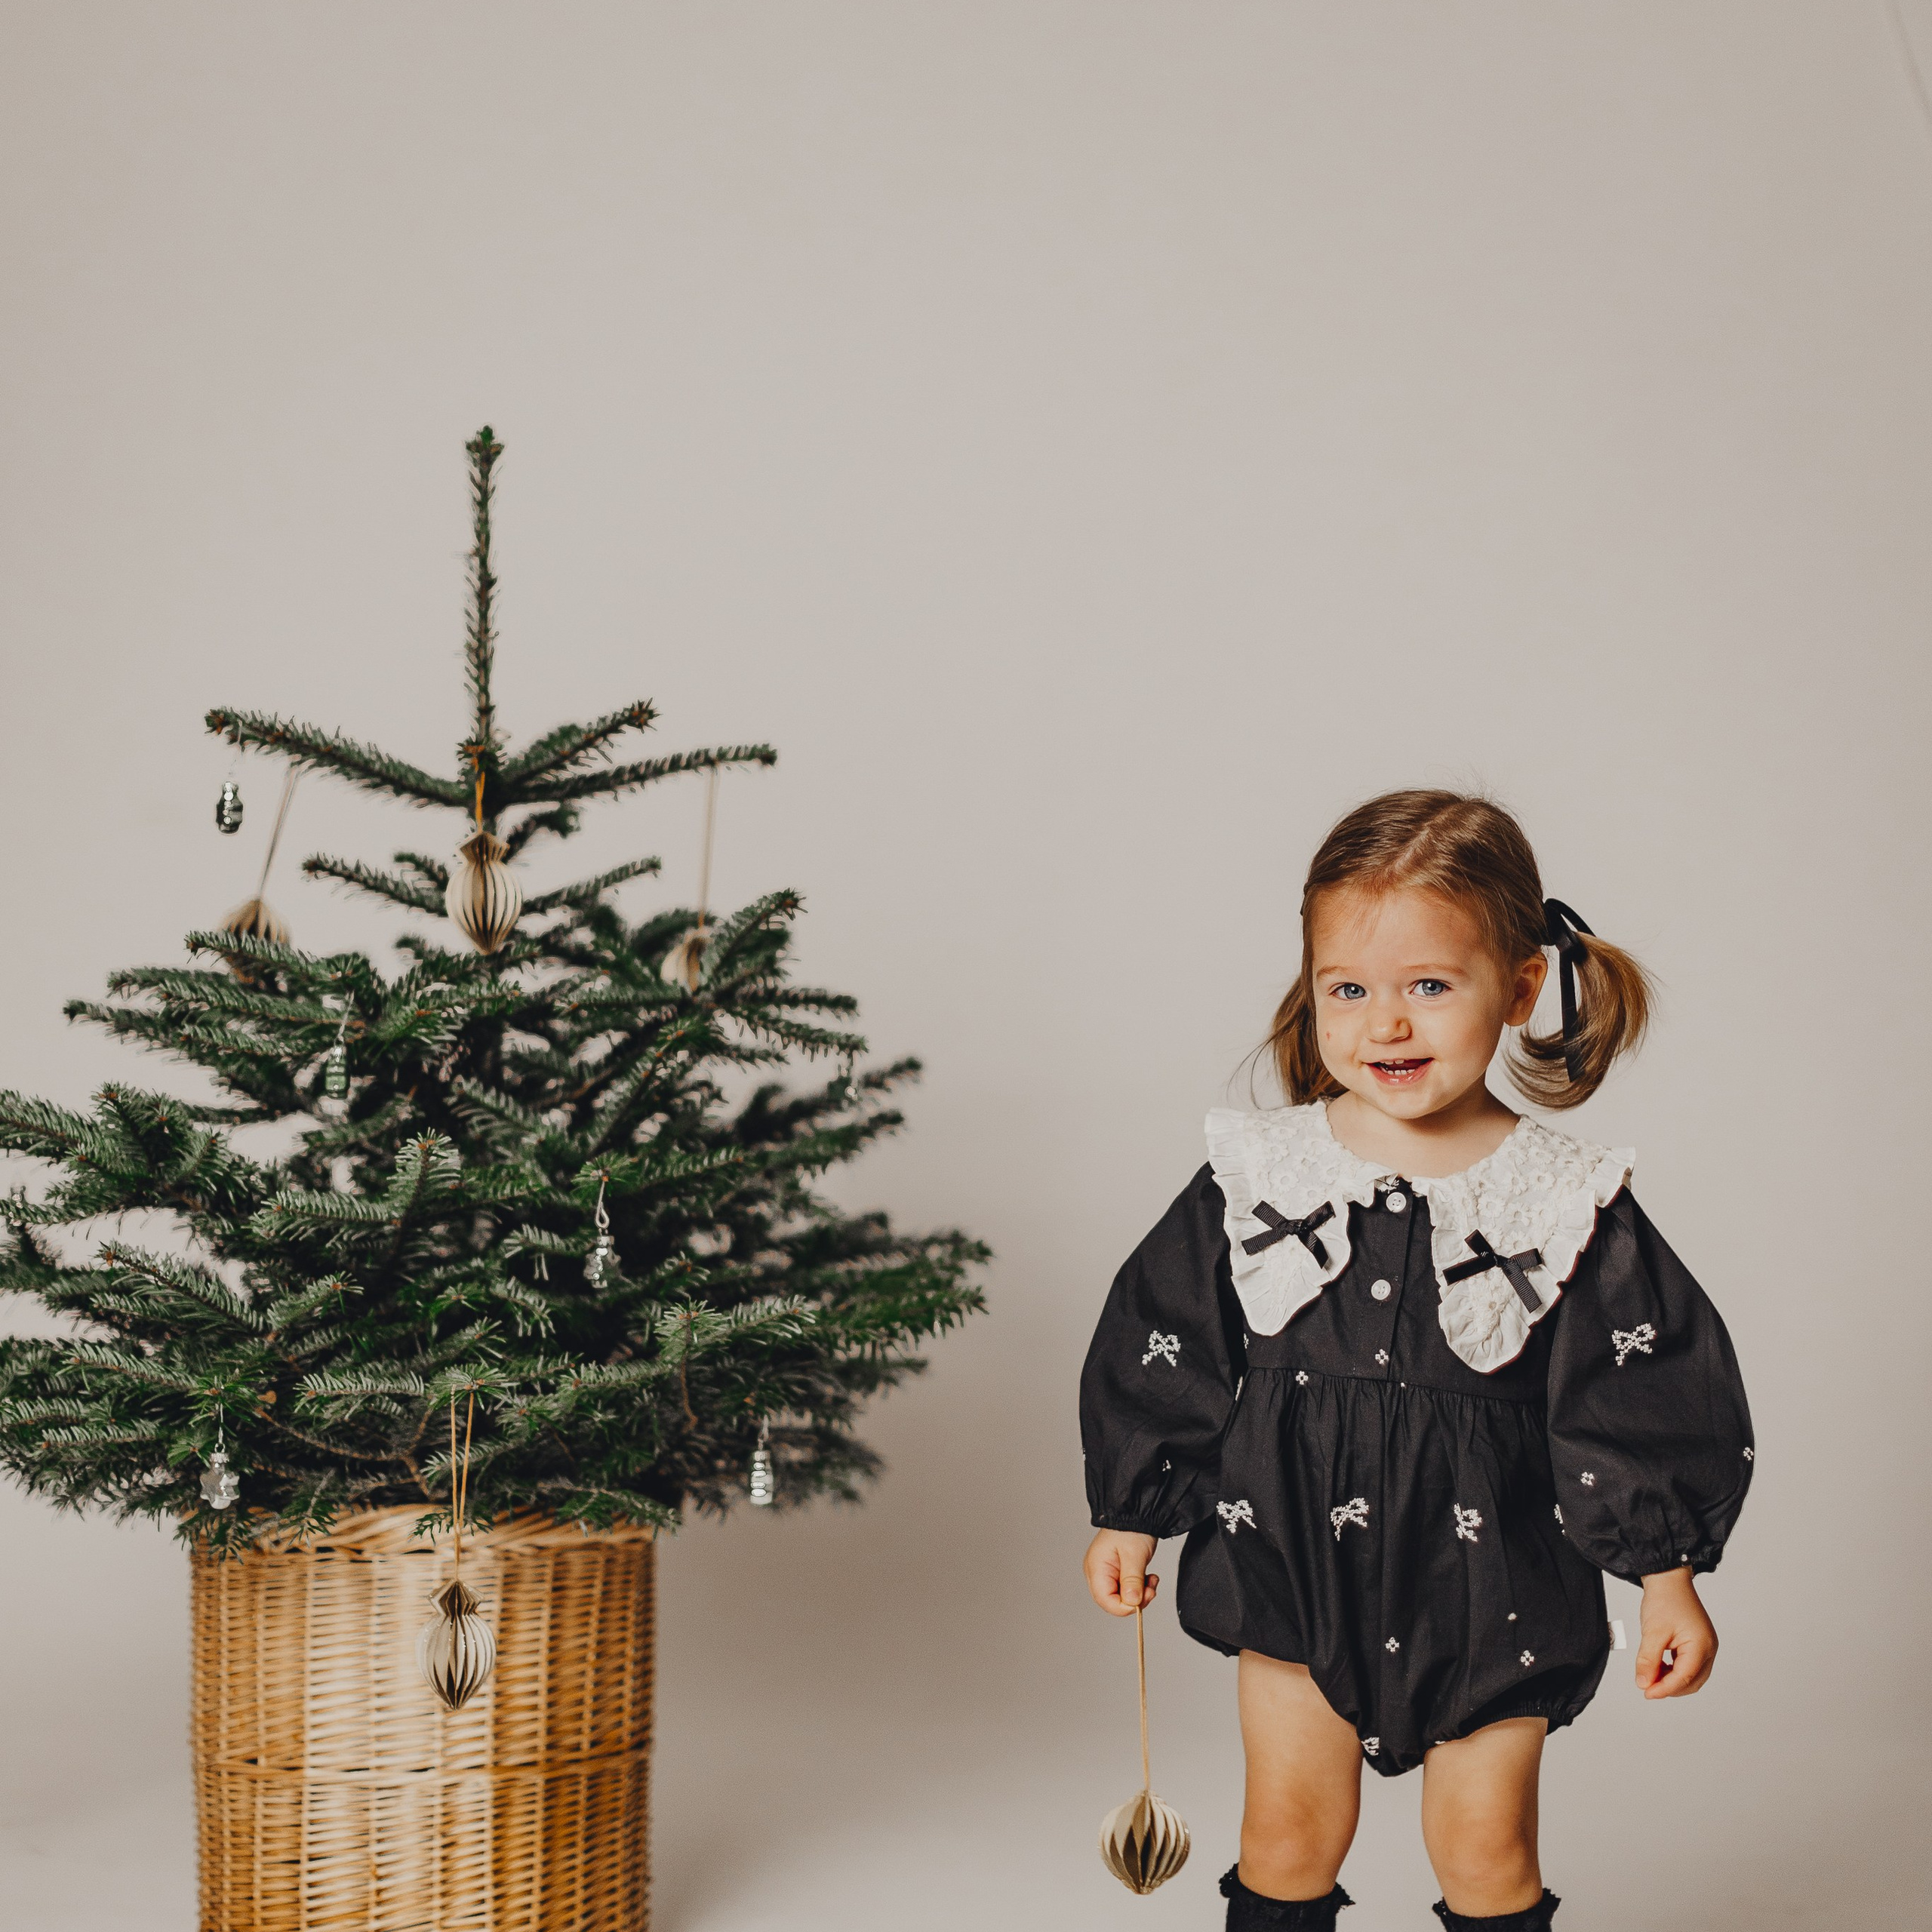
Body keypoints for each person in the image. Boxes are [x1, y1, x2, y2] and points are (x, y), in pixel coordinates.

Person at [1079, 789, 1753, 1931]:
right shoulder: (1263, 1174)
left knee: (1486, 1850)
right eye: (1350, 990)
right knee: (1286, 1832)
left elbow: (1636, 1385)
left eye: (1429, 988)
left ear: (1522, 988)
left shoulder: (1560, 1198)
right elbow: (1168, 1331)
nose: (1384, 1026)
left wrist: (1666, 1572)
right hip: (1288, 1547)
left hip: (1496, 1580)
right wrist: (1136, 1506)